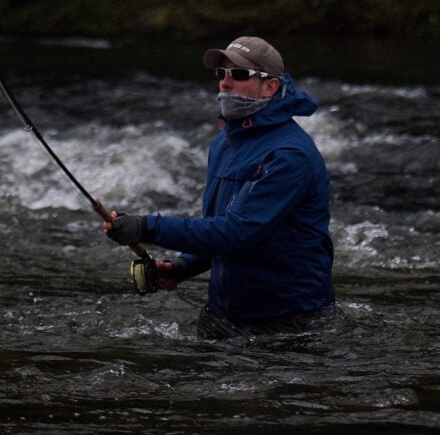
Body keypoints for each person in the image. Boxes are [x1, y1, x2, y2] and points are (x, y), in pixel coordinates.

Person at [104, 35, 337, 339]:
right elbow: (218, 228)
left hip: (290, 324)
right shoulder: (223, 144)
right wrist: (182, 268)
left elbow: (236, 233)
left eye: (239, 75)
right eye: (222, 74)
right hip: (224, 314)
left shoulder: (289, 156)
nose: (226, 83)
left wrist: (146, 227)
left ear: (271, 87)